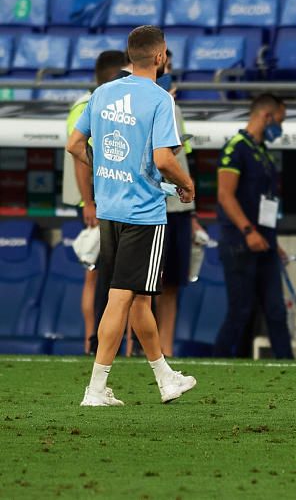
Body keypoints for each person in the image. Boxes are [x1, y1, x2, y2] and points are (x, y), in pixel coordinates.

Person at [66, 25, 197, 406]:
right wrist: (186, 184)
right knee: (122, 298)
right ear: (160, 57)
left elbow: (75, 144)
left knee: (139, 299)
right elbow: (163, 158)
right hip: (143, 212)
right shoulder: (159, 100)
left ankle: (165, 378)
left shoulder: (102, 93)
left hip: (109, 208)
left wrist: (104, 165)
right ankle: (95, 388)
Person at [212, 94, 293, 360]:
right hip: (239, 241)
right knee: (241, 311)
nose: (280, 127)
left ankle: (289, 367)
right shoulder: (236, 147)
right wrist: (248, 231)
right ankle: (218, 362)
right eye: (279, 120)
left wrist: (271, 240)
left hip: (265, 242)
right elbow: (225, 195)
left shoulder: (264, 153)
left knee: (275, 310)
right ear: (266, 116)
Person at [62, 49, 127, 353]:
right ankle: (92, 339)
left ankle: (100, 341)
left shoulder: (100, 101)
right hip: (95, 203)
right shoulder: (88, 105)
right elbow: (79, 155)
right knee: (95, 274)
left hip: (105, 200)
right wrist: (89, 202)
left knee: (106, 276)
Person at [157, 48, 200, 357]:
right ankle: (137, 349)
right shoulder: (147, 106)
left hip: (179, 209)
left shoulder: (174, 107)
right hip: (153, 206)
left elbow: (180, 158)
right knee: (143, 287)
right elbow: (162, 159)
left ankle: (166, 350)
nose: (168, 72)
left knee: (172, 284)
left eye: (171, 65)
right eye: (165, 65)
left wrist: (191, 209)